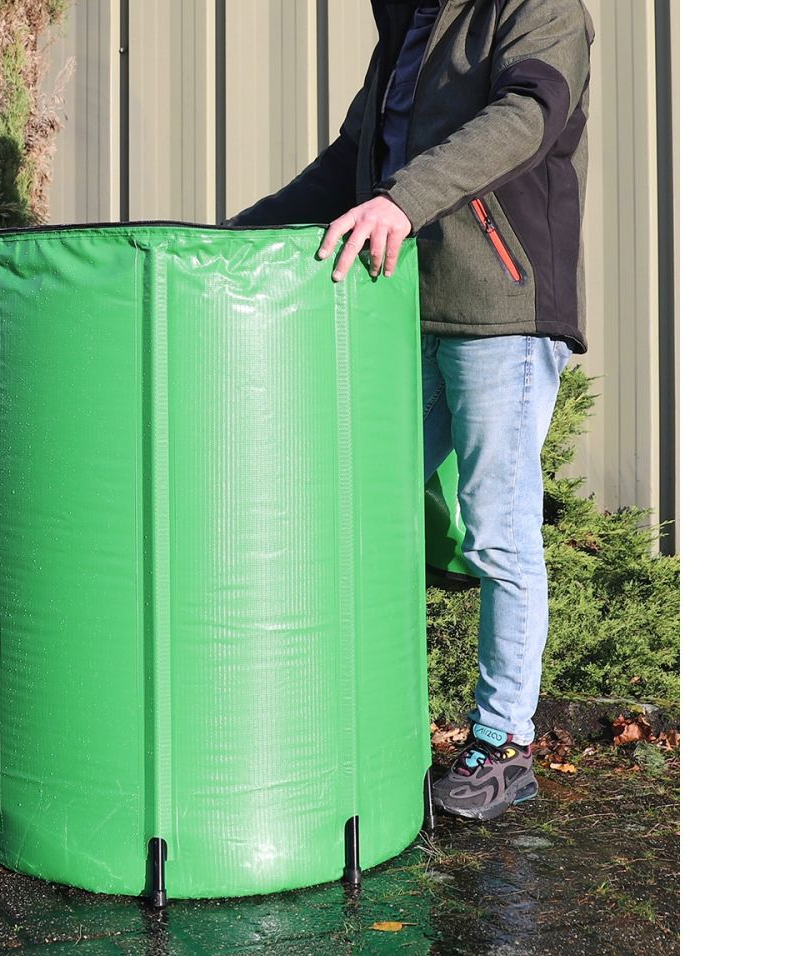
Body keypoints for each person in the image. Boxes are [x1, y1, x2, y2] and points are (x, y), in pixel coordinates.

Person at [225, 0, 595, 821]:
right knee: (361, 514)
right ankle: (361, 723)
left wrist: (403, 202)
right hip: (402, 309)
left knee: (497, 531)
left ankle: (505, 746)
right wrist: (236, 237)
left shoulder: (538, 8)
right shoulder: (407, 18)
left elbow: (527, 116)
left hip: (502, 308)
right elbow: (354, 160)